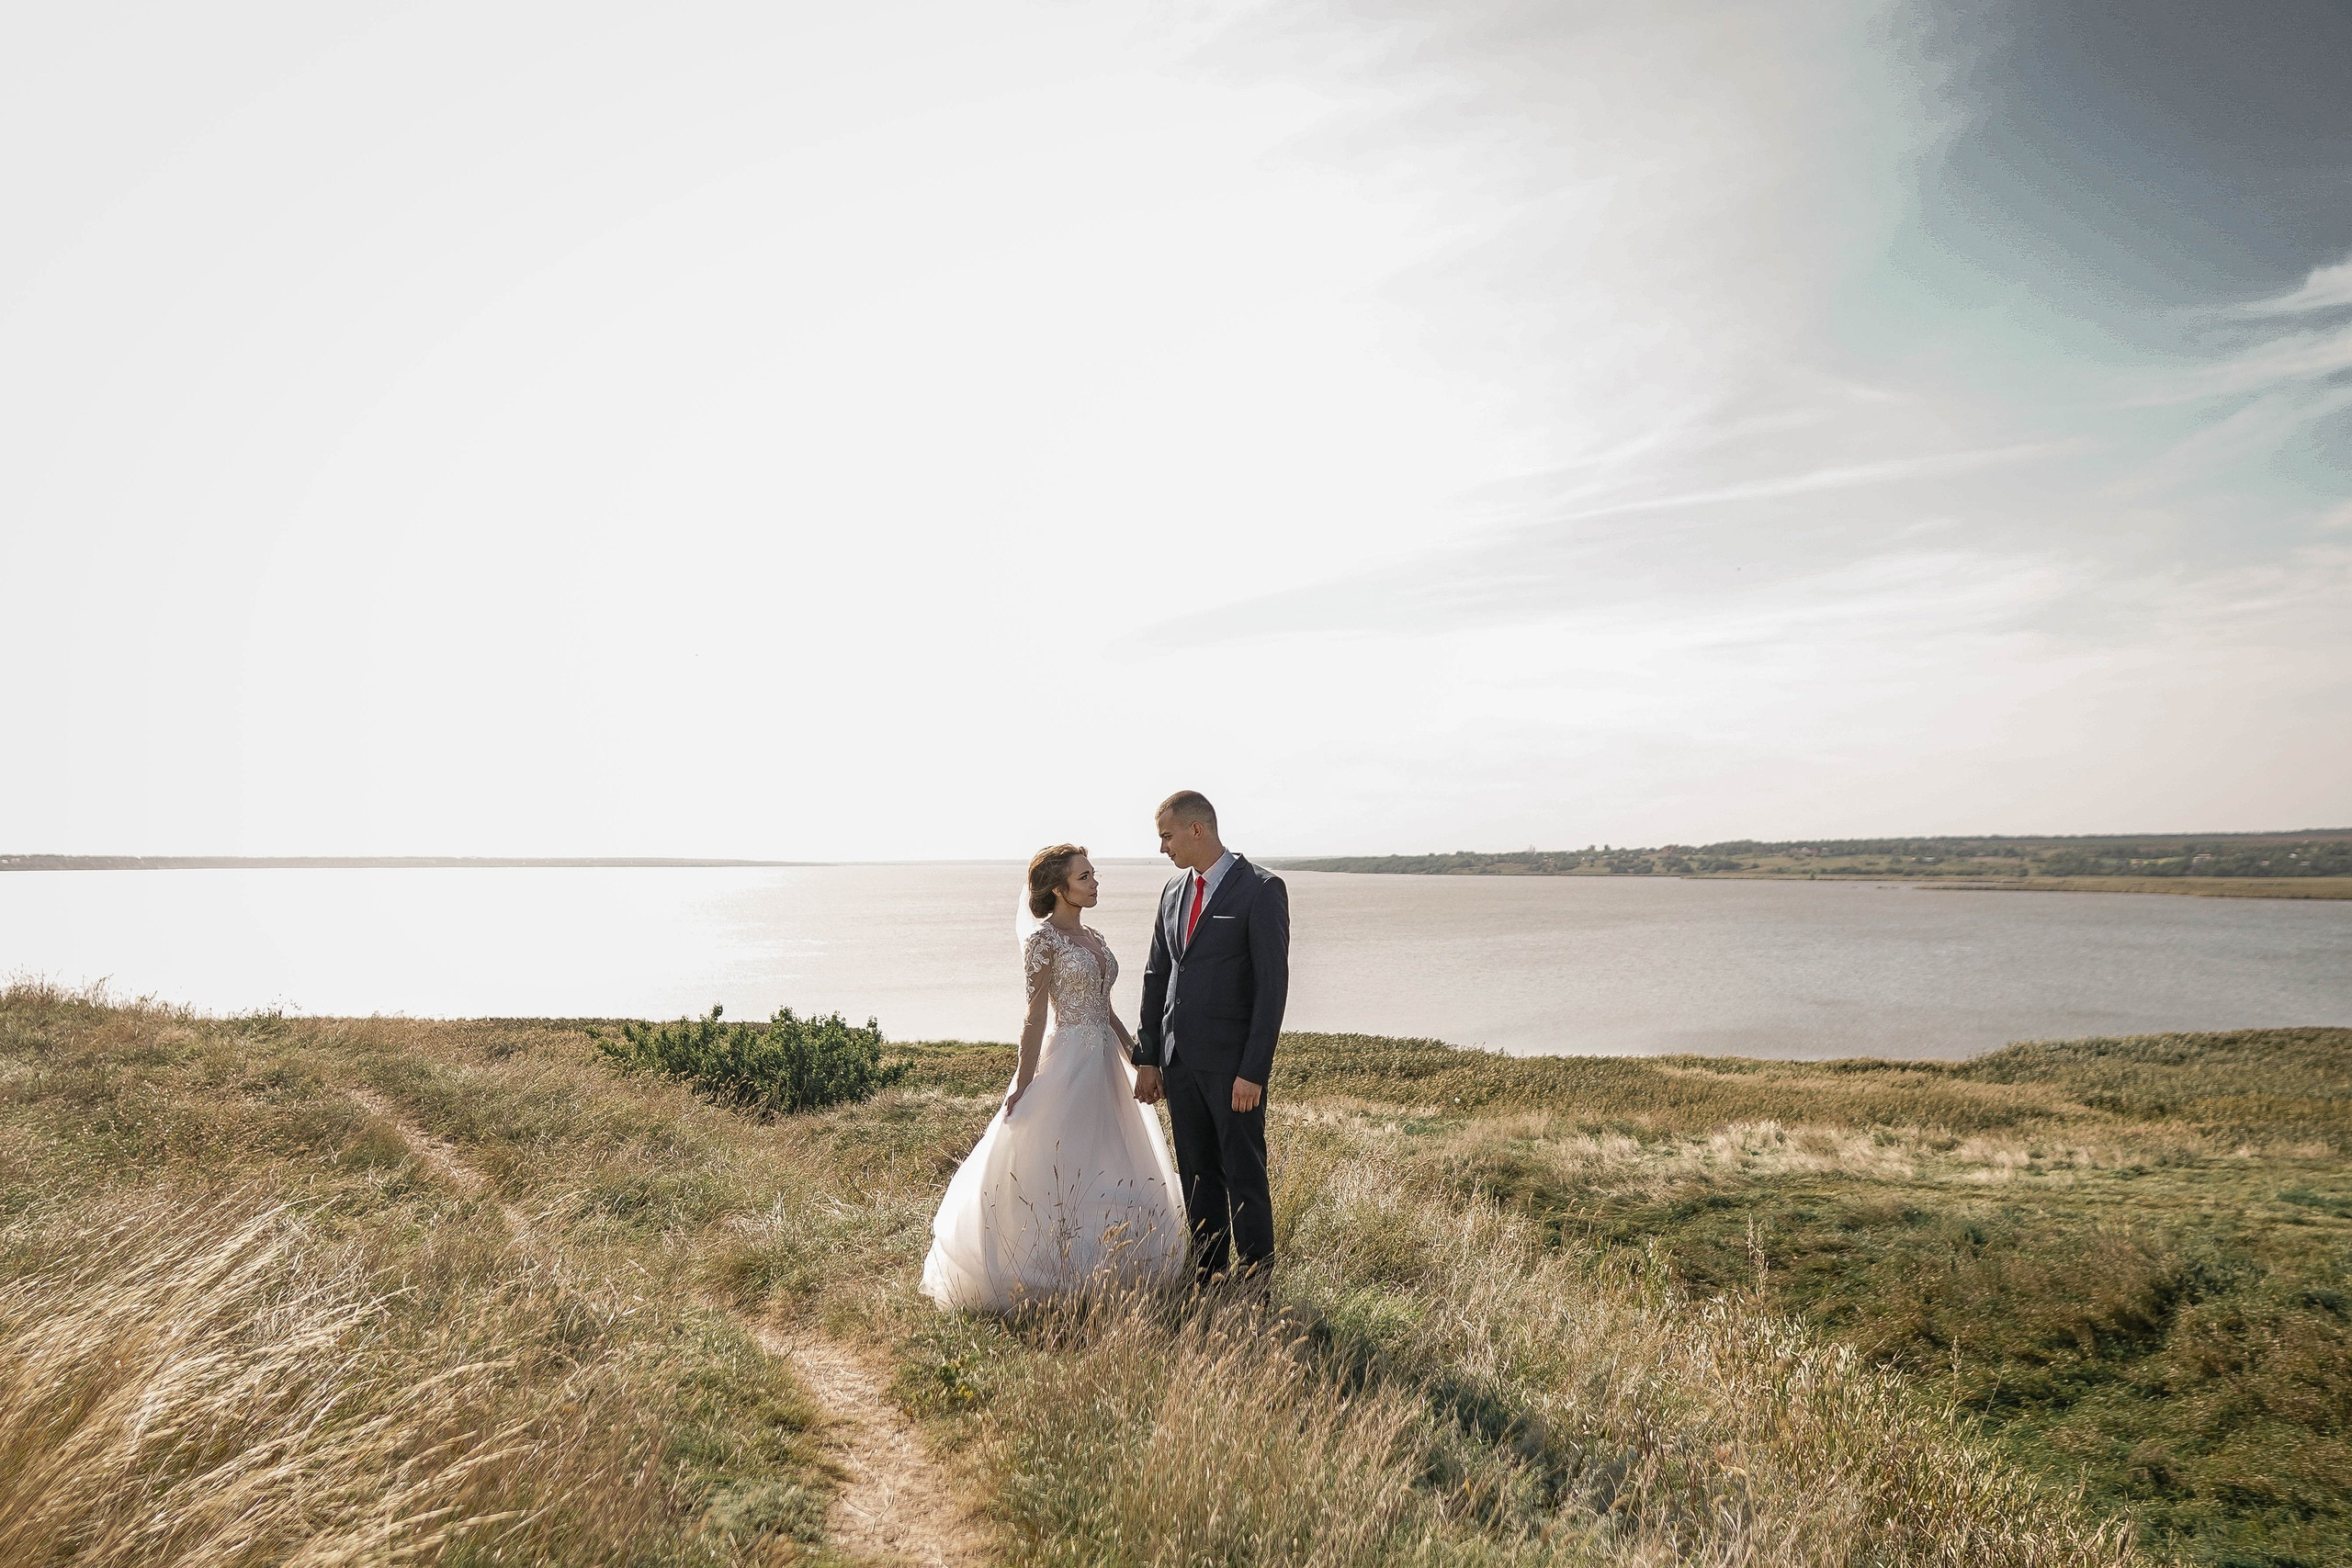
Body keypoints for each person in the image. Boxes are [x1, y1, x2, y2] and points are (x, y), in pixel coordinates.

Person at [921, 844, 1187, 1311]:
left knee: (1112, 1162)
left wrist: (1139, 1059)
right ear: (1059, 889)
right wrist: (1025, 1083)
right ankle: (1050, 1275)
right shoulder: (1043, 942)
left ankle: (1114, 1269)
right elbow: (1035, 1018)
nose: (1095, 883)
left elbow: (1105, 1011)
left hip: (1105, 1065)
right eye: (1084, 877)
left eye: (1093, 874)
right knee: (1063, 1164)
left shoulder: (1095, 937)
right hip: (1066, 1064)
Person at [1132, 791, 1289, 1287]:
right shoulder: (1171, 892)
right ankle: (1208, 1276)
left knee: (1244, 1173)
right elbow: (1156, 975)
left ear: (1196, 829)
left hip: (1232, 1068)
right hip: (1179, 1063)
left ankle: (1257, 1282)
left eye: (1167, 836)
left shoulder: (1261, 889)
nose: (1163, 848)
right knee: (1197, 1174)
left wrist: (1253, 1072)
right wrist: (1149, 1057)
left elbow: (1271, 990)